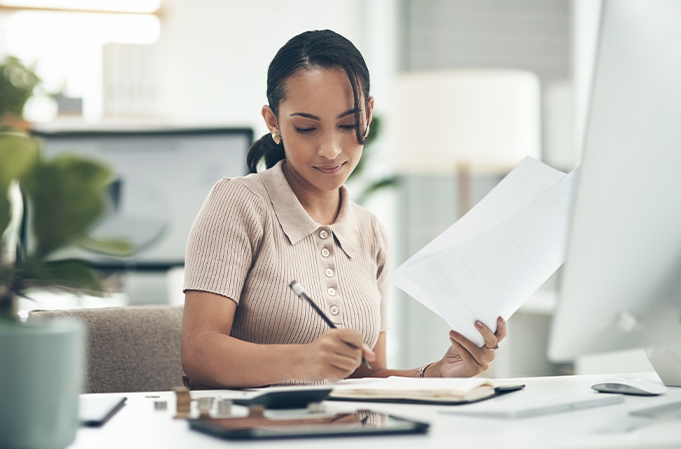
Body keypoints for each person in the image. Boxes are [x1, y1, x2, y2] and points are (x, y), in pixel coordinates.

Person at [181, 29, 507, 388]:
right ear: (273, 122)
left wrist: (435, 374)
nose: (331, 150)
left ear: (368, 112)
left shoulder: (370, 232)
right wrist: (304, 359)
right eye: (306, 128)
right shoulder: (239, 205)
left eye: (348, 124)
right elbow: (198, 353)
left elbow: (366, 376)